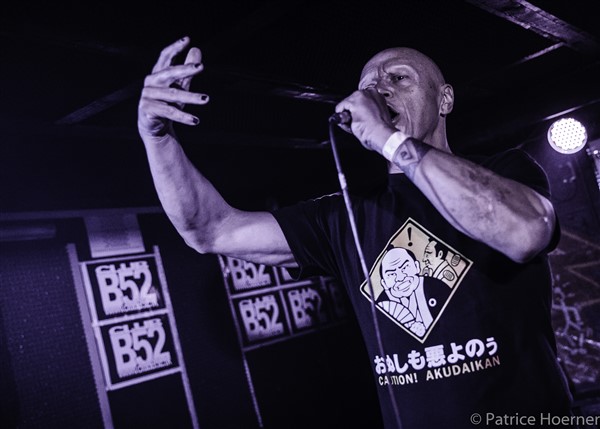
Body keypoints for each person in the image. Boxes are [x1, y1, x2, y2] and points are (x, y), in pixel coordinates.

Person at [138, 37, 573, 428]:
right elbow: (211, 230)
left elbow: (524, 233)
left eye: (399, 78)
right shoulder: (346, 215)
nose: (381, 91)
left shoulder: (506, 170)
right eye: (369, 86)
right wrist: (156, 138)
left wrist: (388, 140)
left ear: (444, 100)